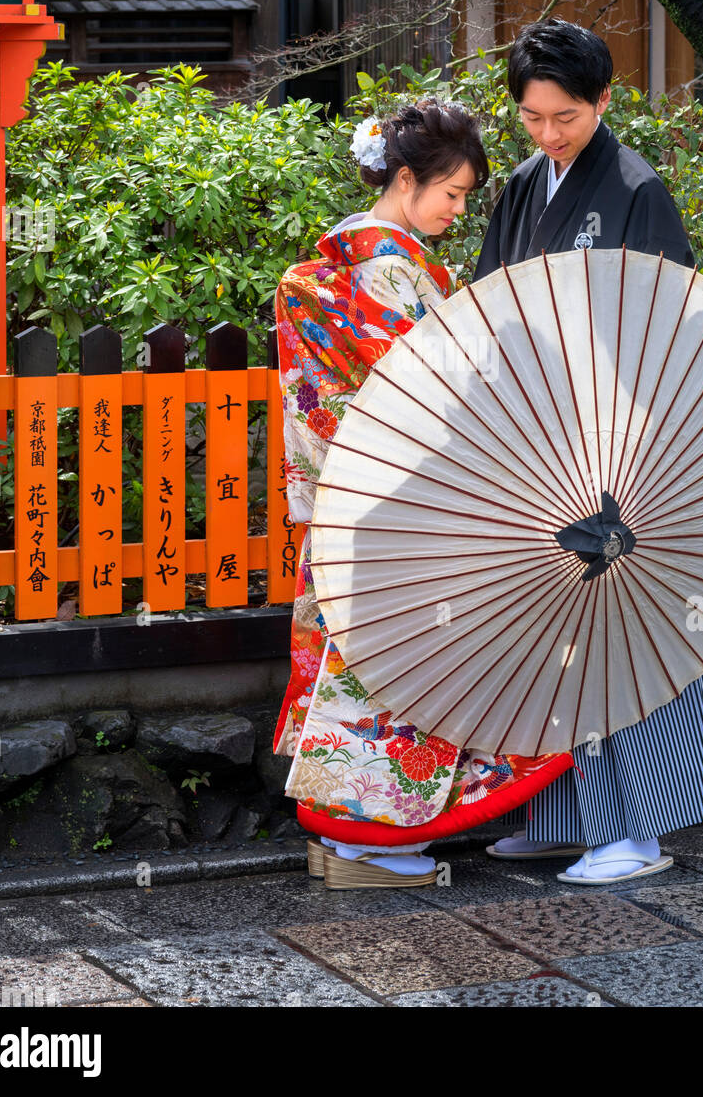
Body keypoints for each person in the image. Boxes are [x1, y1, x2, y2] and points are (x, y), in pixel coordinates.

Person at [272, 96, 572, 890]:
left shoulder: (339, 253)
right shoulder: (390, 268)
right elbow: (441, 393)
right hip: (408, 509)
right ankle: (374, 843)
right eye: (452, 193)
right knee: (405, 681)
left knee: (366, 672)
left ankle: (343, 840)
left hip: (351, 504)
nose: (458, 209)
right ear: (406, 179)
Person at [473, 18, 703, 885]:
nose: (549, 134)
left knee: (632, 631)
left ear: (602, 102)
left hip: (623, 445)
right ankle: (561, 813)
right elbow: (491, 305)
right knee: (559, 635)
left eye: (566, 118)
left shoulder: (636, 188)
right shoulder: (520, 187)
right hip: (545, 440)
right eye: (534, 118)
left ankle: (638, 829)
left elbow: (664, 331)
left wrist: (624, 449)